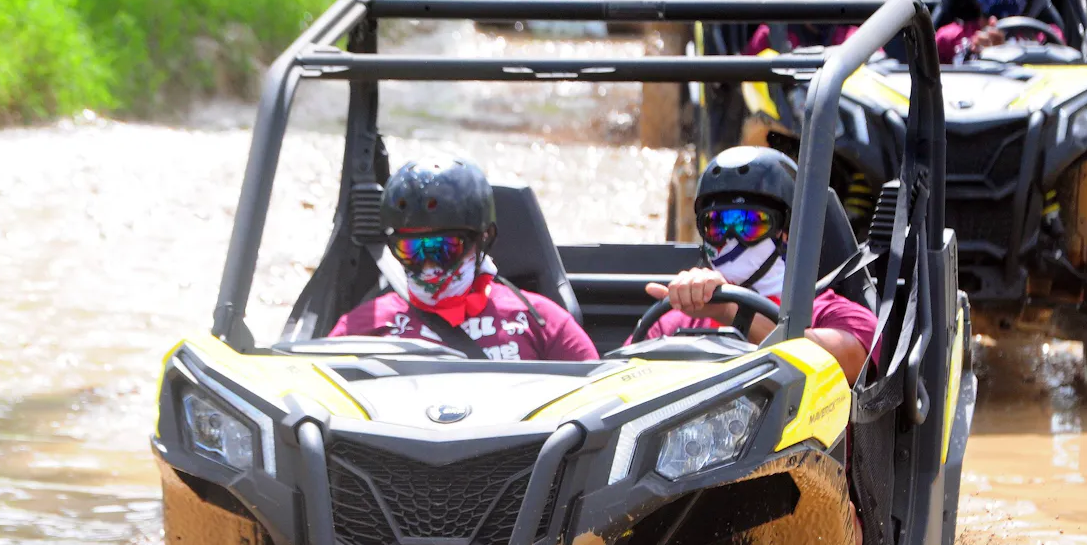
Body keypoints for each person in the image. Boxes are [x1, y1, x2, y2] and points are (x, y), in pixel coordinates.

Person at [636, 146, 877, 387]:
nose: (731, 237)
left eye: (750, 224)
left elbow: (846, 364)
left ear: (786, 232)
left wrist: (732, 311)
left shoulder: (836, 315)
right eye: (716, 225)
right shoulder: (674, 320)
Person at [330, 158, 598, 362]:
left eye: (443, 248)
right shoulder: (361, 328)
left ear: (483, 239)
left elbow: (599, 400)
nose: (428, 266)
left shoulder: (542, 321)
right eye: (412, 250)